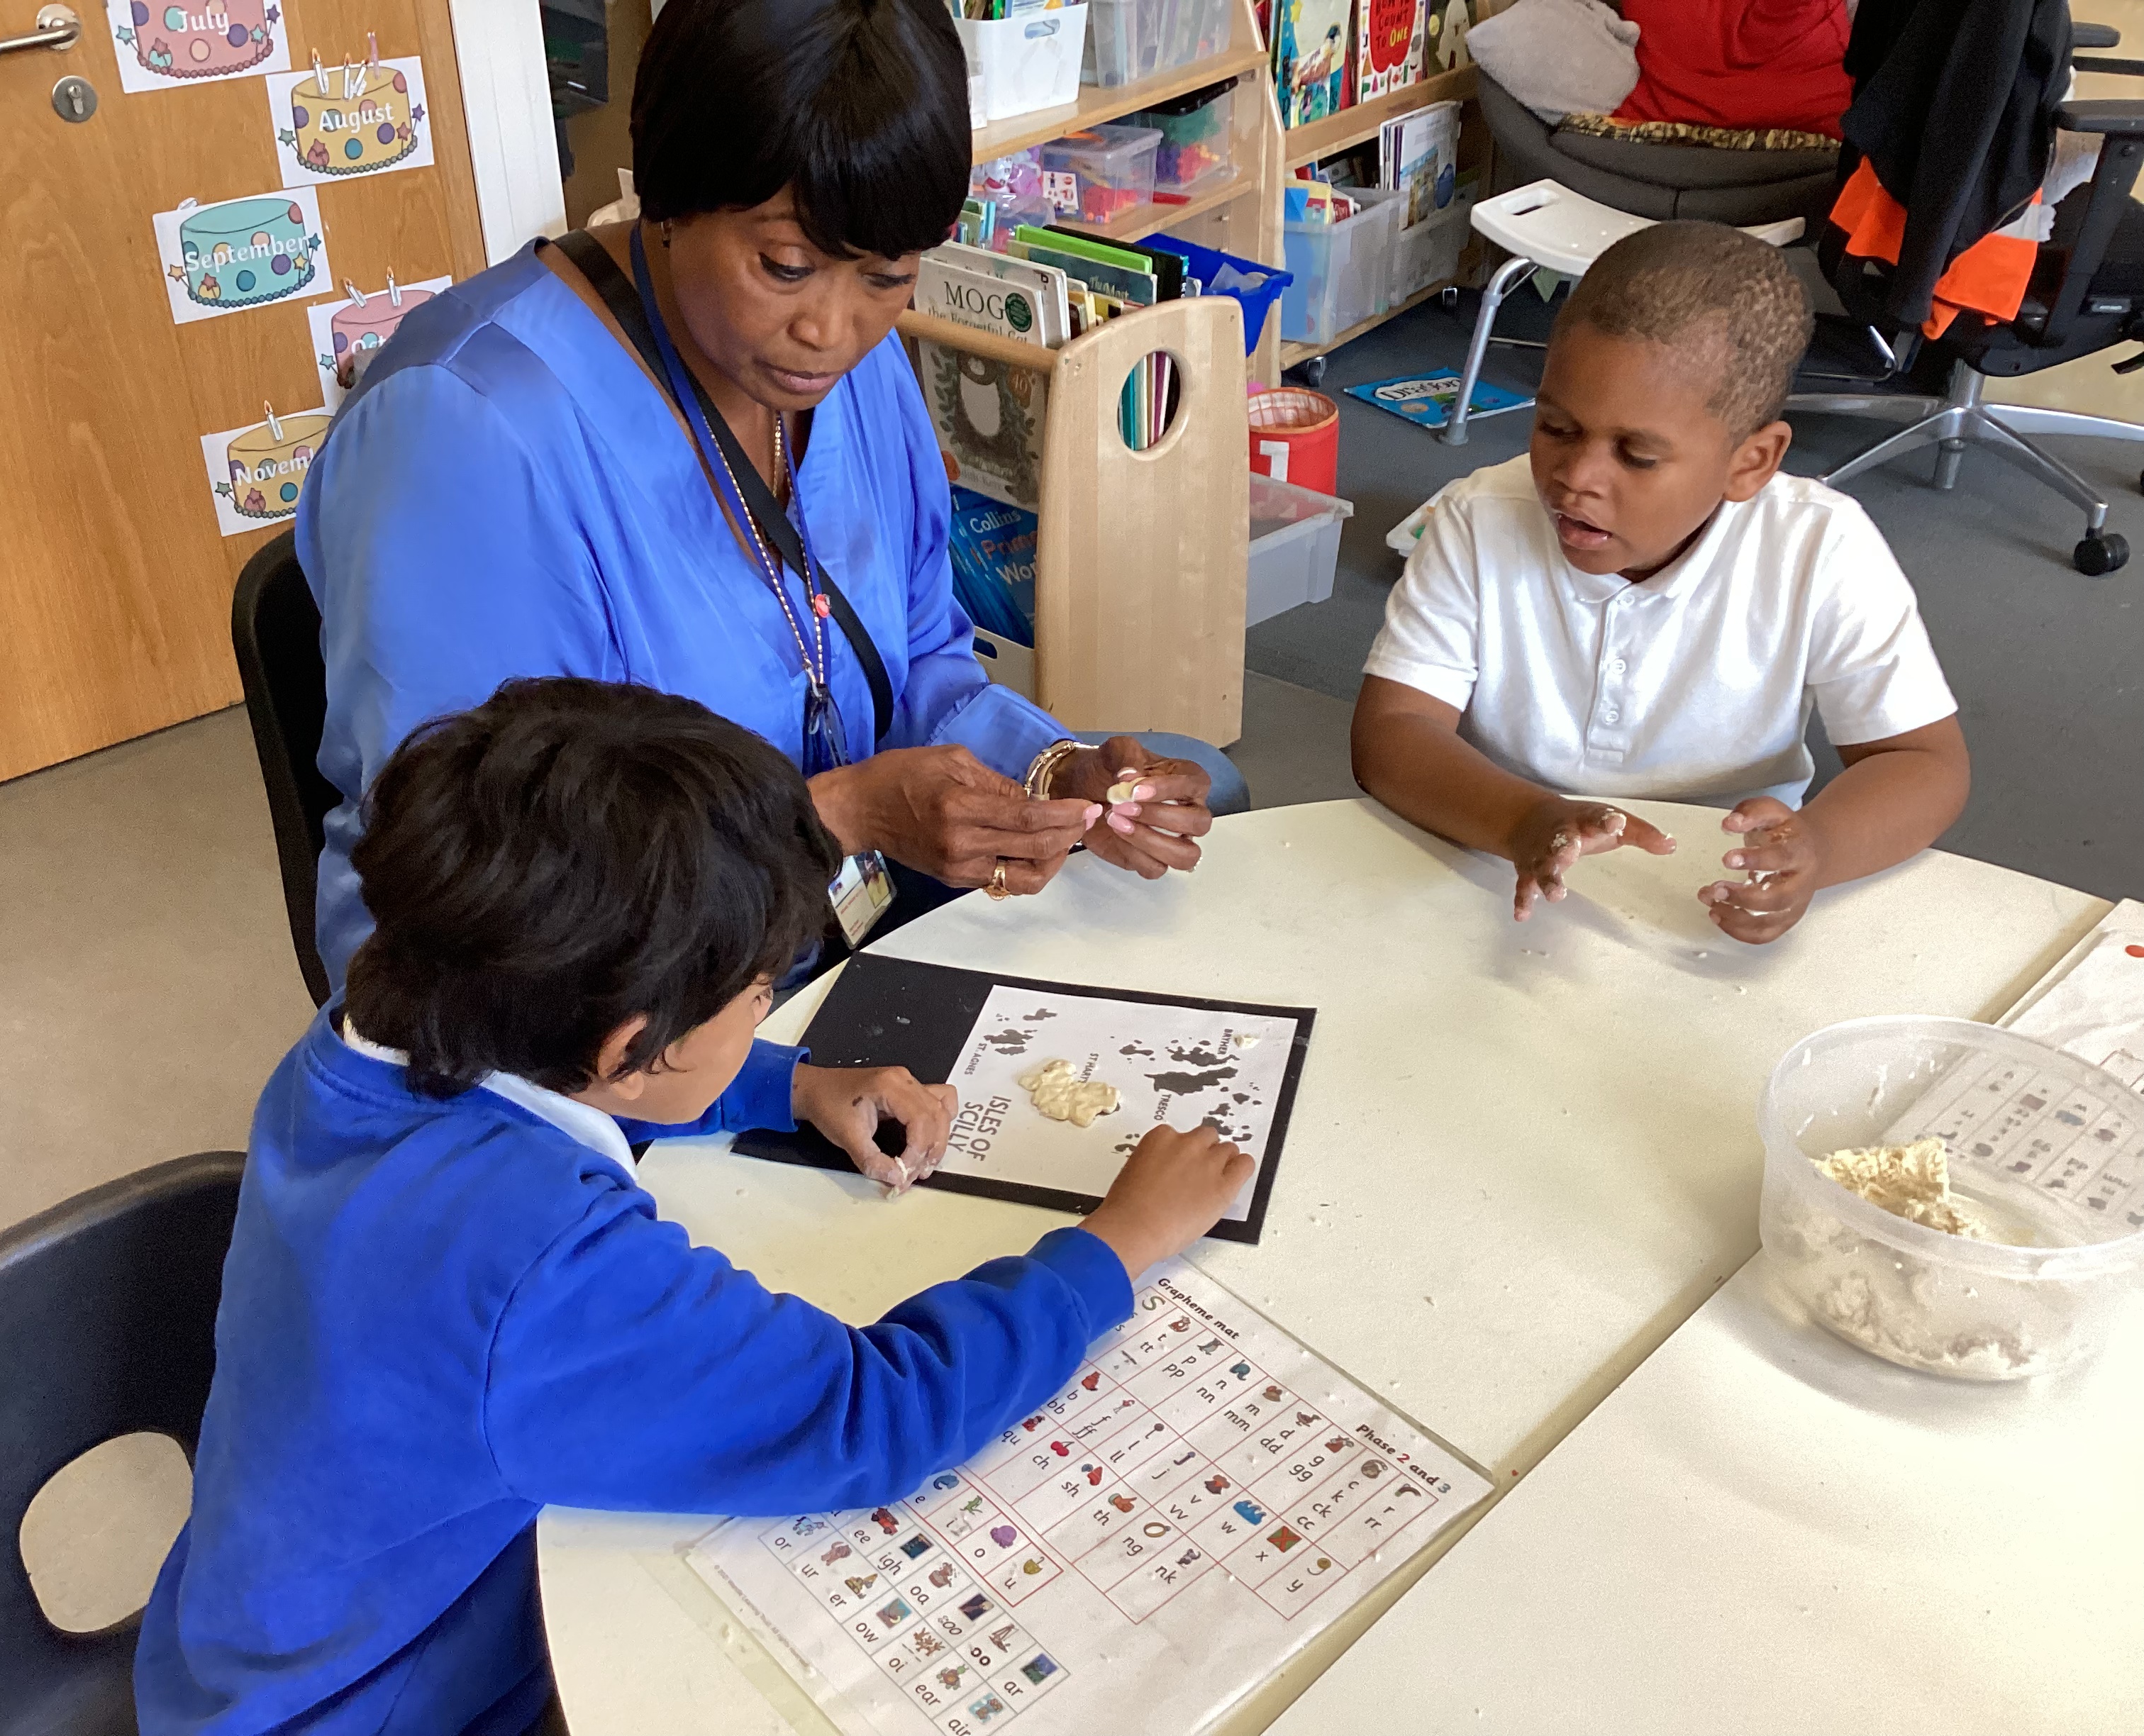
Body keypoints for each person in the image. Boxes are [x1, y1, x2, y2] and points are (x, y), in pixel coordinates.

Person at [133, 678, 1252, 1732]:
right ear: (634, 1047)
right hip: (399, 1702)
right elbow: (870, 1414)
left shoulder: (373, 1028)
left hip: (257, 1645)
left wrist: (789, 1084)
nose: (768, 1007)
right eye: (760, 995)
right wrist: (1116, 1244)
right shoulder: (541, 1262)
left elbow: (569, 1073)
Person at [296, 0, 1245, 1104]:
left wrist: (1051, 778)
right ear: (668, 196)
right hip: (609, 1030)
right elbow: (483, 895)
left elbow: (922, 666)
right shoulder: (467, 433)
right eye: (786, 265)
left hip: (825, 931)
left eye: (887, 275)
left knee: (1201, 798)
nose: (832, 331)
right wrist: (835, 818)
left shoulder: (849, 371)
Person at [1351, 221, 1969, 945]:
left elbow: (1923, 762)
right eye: (1556, 428)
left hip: (1723, 881)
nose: (1576, 478)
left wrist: (1819, 848)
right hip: (1496, 846)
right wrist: (1525, 819)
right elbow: (1393, 732)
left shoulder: (1821, 546)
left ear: (1751, 463)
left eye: (1637, 456)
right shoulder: (1478, 517)